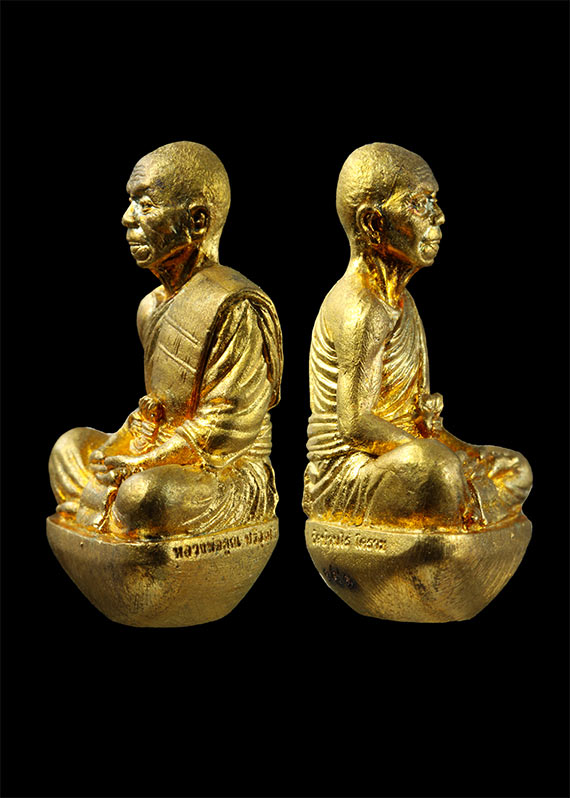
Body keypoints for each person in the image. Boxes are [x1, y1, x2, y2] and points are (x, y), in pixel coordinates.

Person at [49, 141, 282, 538]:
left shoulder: (232, 306)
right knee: (69, 448)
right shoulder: (150, 307)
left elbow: (222, 431)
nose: (127, 218)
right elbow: (158, 410)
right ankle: (111, 512)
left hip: (225, 472)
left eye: (146, 205)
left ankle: (113, 509)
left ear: (196, 220)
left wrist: (143, 463)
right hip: (161, 451)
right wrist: (124, 443)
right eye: (130, 203)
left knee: (143, 496)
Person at [303, 142, 531, 531]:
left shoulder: (401, 301)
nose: (439, 217)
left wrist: (440, 435)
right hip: (351, 473)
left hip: (407, 453)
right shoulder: (361, 307)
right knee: (438, 470)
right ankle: (464, 507)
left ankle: (462, 507)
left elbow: (413, 417)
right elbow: (355, 424)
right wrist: (435, 454)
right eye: (420, 204)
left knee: (514, 468)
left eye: (435, 202)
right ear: (373, 223)